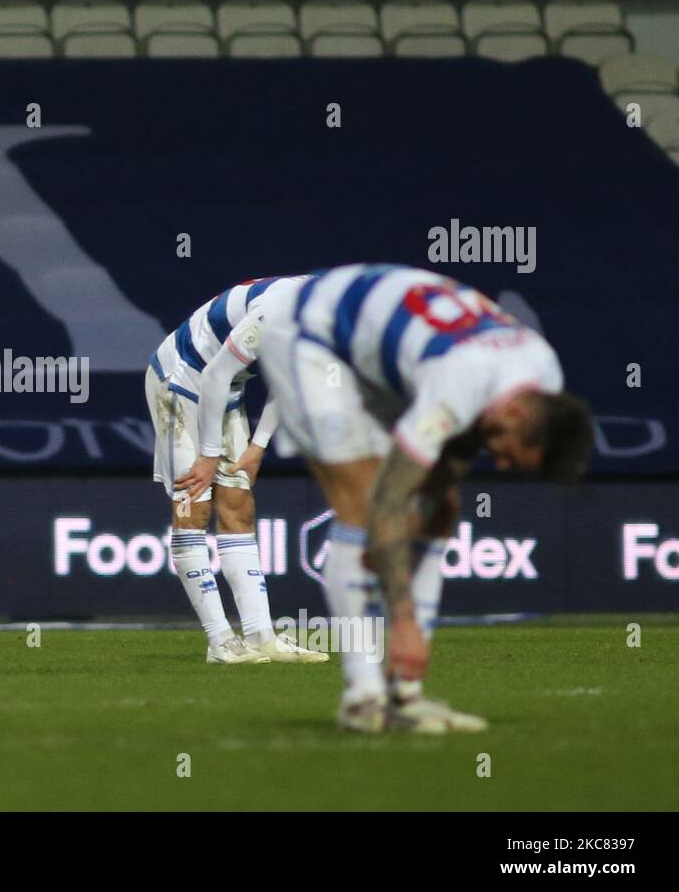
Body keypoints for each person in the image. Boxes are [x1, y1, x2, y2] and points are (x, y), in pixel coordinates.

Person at [236, 263, 593, 732]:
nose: (501, 464)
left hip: (380, 352)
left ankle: (404, 694)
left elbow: (444, 475)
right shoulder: (462, 381)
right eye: (511, 453)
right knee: (363, 506)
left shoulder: (539, 371)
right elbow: (389, 500)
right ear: (518, 411)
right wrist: (402, 624)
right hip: (311, 337)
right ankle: (364, 698)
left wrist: (436, 497)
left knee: (440, 506)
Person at [149, 275, 326, 664]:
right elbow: (213, 373)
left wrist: (258, 446)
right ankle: (220, 641)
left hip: (225, 391)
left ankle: (262, 637)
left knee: (238, 503)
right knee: (192, 503)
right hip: (179, 382)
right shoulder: (277, 312)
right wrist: (209, 456)